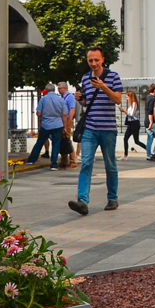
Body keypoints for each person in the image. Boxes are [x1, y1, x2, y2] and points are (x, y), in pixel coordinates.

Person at [67, 47, 123, 215]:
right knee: (86, 163)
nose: (93, 63)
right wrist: (80, 100)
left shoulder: (113, 77)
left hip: (108, 129)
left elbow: (118, 99)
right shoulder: (85, 78)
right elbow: (88, 103)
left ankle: (112, 198)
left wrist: (104, 87)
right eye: (90, 60)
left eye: (96, 60)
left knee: (110, 165)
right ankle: (82, 201)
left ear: (103, 59)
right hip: (90, 128)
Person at [26, 85, 66, 169]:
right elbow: (64, 114)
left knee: (40, 142)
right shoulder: (60, 99)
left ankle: (32, 160)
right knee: (56, 144)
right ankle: (54, 165)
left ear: (46, 90)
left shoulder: (43, 99)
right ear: (54, 90)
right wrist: (64, 126)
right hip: (58, 124)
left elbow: (38, 113)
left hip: (46, 124)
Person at [122, 91, 147, 157]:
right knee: (125, 138)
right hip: (131, 124)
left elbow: (131, 115)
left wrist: (124, 111)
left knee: (136, 141)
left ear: (130, 97)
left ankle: (148, 150)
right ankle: (125, 154)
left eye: (127, 97)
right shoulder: (131, 105)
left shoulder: (134, 104)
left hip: (134, 124)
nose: (127, 98)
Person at [59, 83, 78, 169]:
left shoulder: (69, 97)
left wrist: (69, 122)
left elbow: (72, 110)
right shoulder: (63, 97)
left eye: (60, 88)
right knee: (63, 141)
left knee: (67, 141)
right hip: (63, 121)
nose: (58, 90)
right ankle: (64, 160)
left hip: (67, 121)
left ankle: (73, 161)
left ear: (64, 88)